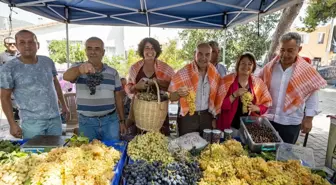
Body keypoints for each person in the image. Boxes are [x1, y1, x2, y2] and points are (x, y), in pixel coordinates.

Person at [258, 32, 327, 144]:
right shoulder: (269, 67)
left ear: (299, 49)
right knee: (264, 155)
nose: (285, 54)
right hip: (268, 119)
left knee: (285, 157)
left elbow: (312, 96)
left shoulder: (306, 71)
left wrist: (308, 119)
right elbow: (257, 83)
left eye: (290, 50)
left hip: (290, 122)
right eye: (282, 50)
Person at [0, 30, 69, 139]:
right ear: (17, 45)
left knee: (56, 152)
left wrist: (64, 105)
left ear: (38, 45)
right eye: (22, 42)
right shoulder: (9, 68)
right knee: (35, 154)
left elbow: (55, 84)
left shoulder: (47, 61)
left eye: (31, 42)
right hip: (32, 122)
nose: (27, 46)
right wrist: (12, 124)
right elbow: (4, 98)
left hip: (55, 118)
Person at [63, 37, 126, 140]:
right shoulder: (78, 67)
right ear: (86, 51)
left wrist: (122, 121)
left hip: (110, 121)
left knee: (113, 151)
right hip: (86, 122)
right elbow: (66, 76)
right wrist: (79, 69)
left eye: (97, 48)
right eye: (89, 48)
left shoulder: (112, 72)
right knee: (89, 153)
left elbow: (118, 98)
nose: (93, 52)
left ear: (103, 52)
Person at [169, 43, 224, 136]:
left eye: (207, 55)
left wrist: (214, 118)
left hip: (207, 117)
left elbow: (217, 98)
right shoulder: (183, 73)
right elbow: (171, 97)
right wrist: (178, 94)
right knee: (187, 148)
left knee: (207, 147)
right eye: (200, 54)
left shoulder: (214, 73)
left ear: (211, 56)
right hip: (188, 117)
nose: (203, 58)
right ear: (195, 54)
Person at [125, 37, 175, 135]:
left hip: (159, 110)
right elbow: (129, 88)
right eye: (147, 48)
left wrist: (157, 82)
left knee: (159, 140)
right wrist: (136, 86)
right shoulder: (135, 68)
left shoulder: (165, 68)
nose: (150, 51)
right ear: (142, 50)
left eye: (153, 48)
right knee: (141, 140)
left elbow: (173, 86)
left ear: (157, 51)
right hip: (141, 111)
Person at [217, 52, 272, 136]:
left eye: (249, 64)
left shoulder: (258, 83)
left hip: (248, 128)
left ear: (253, 67)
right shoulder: (227, 81)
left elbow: (266, 104)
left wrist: (256, 108)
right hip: (228, 127)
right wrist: (234, 95)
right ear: (238, 65)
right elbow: (220, 106)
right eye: (243, 63)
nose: (246, 66)